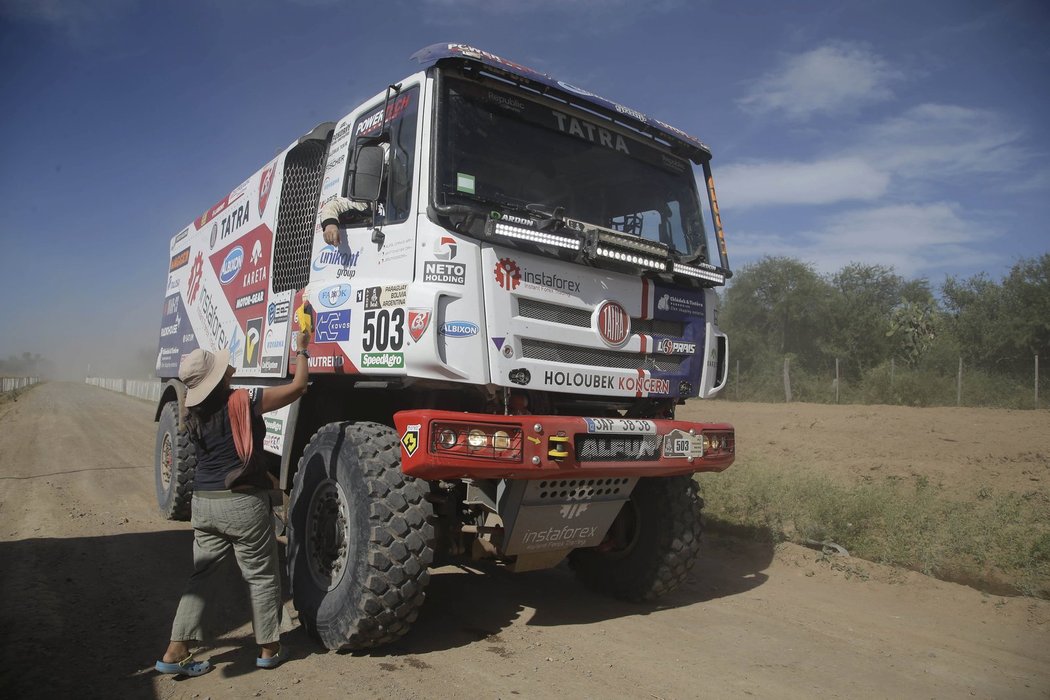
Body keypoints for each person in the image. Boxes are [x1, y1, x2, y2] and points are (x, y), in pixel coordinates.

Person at [154, 328, 311, 677]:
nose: (228, 369)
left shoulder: (190, 412)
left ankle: (174, 651)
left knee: (202, 577)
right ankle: (269, 649)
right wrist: (302, 350)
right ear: (217, 377)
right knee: (261, 575)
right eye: (221, 368)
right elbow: (299, 387)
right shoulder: (243, 401)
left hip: (204, 504)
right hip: (242, 504)